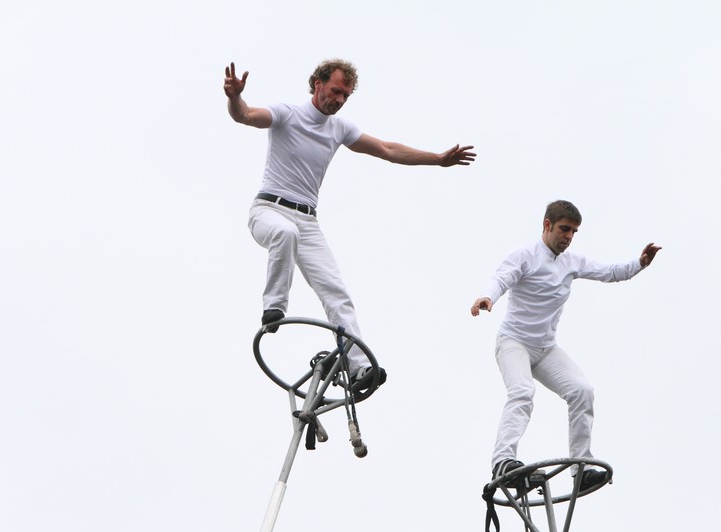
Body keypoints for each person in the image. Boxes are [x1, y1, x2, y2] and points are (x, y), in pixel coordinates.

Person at [225, 59, 475, 388]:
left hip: (308, 220)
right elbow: (246, 115)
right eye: (335, 91)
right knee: (284, 234)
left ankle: (358, 367)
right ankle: (274, 308)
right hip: (269, 210)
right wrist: (234, 98)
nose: (339, 100)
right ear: (317, 84)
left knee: (337, 292)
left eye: (345, 95)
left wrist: (438, 160)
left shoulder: (339, 128)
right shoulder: (288, 114)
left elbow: (387, 149)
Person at [471, 200, 661, 490]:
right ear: (547, 225)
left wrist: (640, 264)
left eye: (573, 232)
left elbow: (609, 272)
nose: (568, 237)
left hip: (545, 348)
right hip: (514, 343)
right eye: (564, 229)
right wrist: (487, 297)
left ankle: (581, 470)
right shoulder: (525, 255)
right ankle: (503, 461)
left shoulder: (572, 262)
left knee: (582, 391)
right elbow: (502, 278)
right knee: (522, 392)